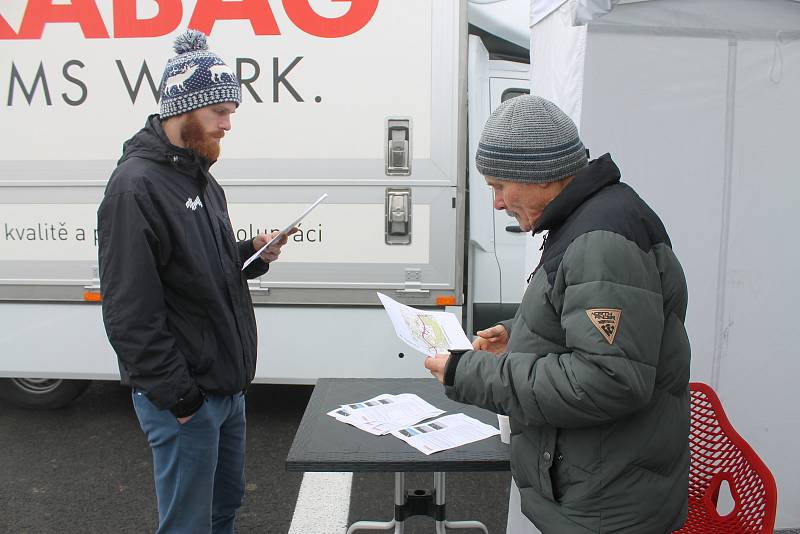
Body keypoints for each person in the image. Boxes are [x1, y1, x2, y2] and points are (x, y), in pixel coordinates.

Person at [425, 95, 690, 533]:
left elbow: (609, 380)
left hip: (605, 503)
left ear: (538, 175)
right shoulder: (594, 217)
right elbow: (592, 328)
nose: (495, 203)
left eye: (498, 186)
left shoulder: (600, 241)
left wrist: (470, 373)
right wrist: (521, 336)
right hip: (604, 484)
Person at [97, 29, 291, 534]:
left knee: (222, 510)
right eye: (219, 112)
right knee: (188, 525)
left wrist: (253, 253)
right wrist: (181, 399)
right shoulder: (135, 187)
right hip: (188, 398)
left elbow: (210, 267)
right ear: (183, 109)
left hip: (225, 388)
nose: (228, 124)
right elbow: (129, 312)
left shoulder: (201, 178)